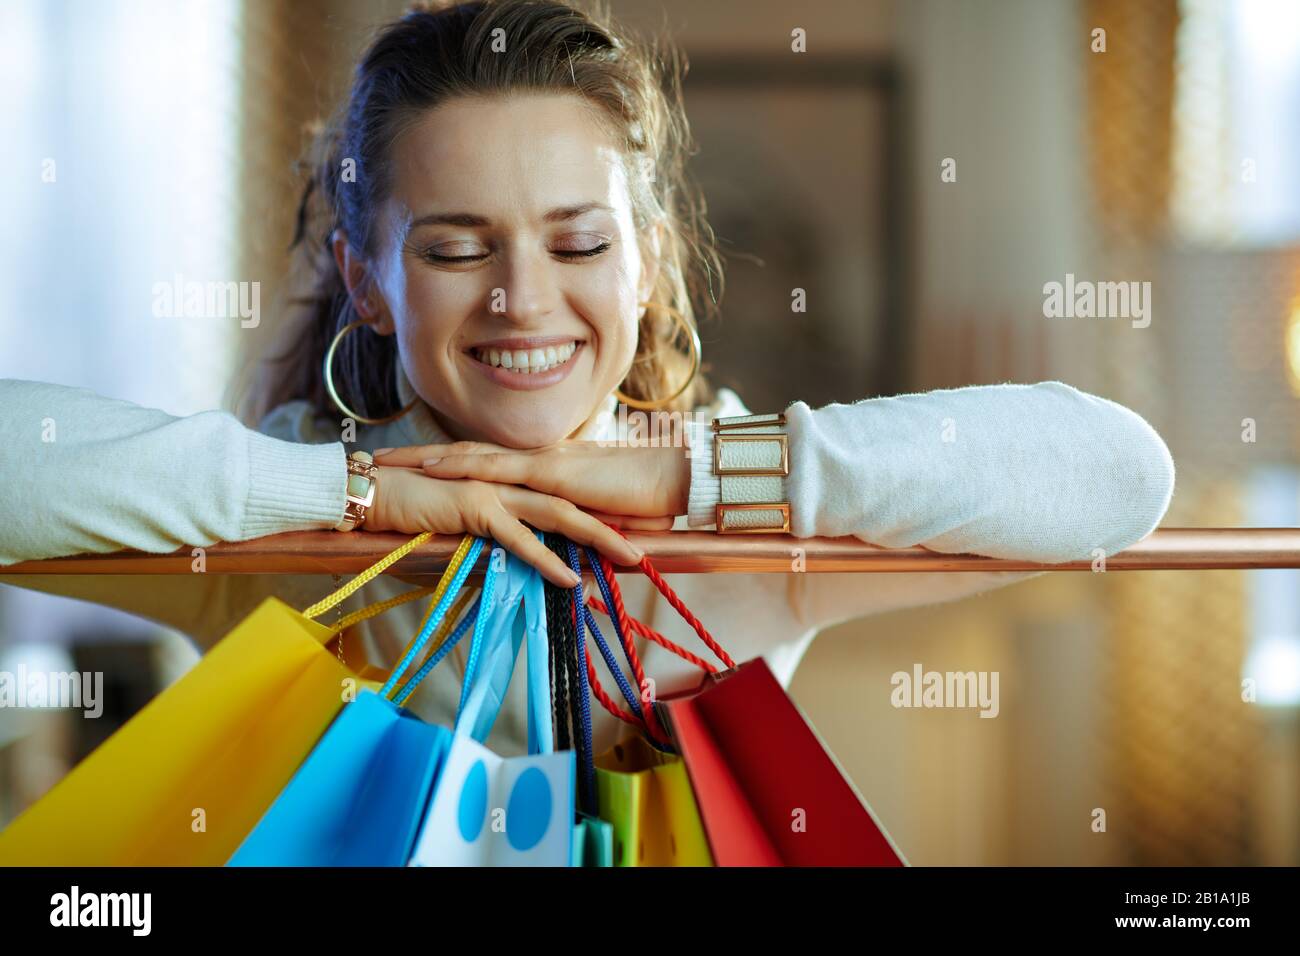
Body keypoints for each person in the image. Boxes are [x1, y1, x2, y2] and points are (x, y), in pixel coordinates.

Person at [0, 0, 1174, 757]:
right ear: (364, 282)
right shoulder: (277, 532)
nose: (521, 298)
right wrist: (352, 491)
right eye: (456, 249)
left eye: (577, 243)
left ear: (651, 263)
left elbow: (1119, 473)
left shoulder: (742, 518)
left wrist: (677, 472)